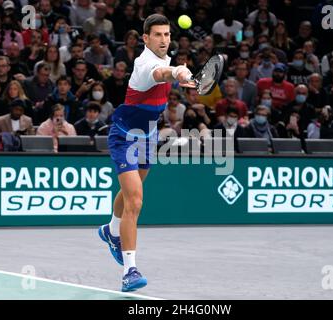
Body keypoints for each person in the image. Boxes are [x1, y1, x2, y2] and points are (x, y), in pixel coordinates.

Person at [97, 14, 194, 292]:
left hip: (148, 135)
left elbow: (169, 70)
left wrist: (179, 72)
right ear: (145, 38)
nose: (164, 40)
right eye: (158, 35)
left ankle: (110, 230)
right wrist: (178, 72)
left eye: (167, 35)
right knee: (136, 202)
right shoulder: (145, 63)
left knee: (131, 192)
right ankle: (130, 271)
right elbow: (162, 74)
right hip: (125, 135)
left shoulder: (164, 57)